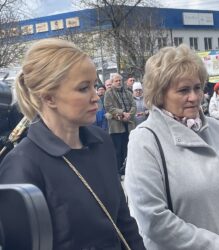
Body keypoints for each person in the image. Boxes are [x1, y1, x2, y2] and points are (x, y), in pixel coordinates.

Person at [0, 39, 145, 250]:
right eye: (83, 88)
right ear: (49, 97)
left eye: (94, 85)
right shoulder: (21, 166)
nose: (96, 97)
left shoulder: (101, 142)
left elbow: (124, 222)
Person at [124, 44, 219, 250]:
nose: (194, 97)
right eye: (184, 90)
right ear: (159, 94)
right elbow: (152, 218)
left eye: (197, 87)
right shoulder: (145, 140)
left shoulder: (217, 129)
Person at [104, 73, 136, 176]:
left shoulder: (127, 92)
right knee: (117, 150)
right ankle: (117, 171)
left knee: (128, 148)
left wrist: (129, 115)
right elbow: (109, 107)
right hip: (116, 126)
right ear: (112, 82)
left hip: (129, 124)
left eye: (119, 80)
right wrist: (123, 113)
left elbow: (133, 105)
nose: (118, 82)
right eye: (116, 81)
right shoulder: (109, 93)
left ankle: (127, 170)